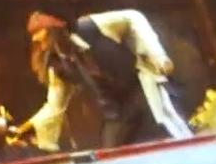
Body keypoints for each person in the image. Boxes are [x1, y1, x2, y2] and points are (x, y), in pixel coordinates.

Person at [11, 10, 193, 152]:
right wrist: (31, 126)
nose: (36, 38)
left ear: (55, 29)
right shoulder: (59, 66)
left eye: (39, 31)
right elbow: (55, 105)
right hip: (115, 109)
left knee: (171, 131)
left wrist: (156, 55)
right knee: (111, 153)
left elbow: (132, 17)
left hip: (141, 89)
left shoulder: (89, 27)